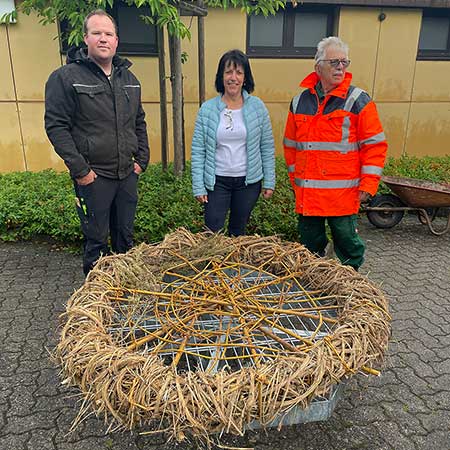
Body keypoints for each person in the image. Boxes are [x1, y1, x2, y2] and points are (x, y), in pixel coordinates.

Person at [45, 9, 150, 275]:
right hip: (94, 178)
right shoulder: (66, 77)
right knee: (96, 244)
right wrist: (82, 172)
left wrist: (142, 161)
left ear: (116, 40)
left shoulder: (130, 80)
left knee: (125, 240)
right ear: (86, 38)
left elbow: (139, 121)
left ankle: (124, 295)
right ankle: (96, 305)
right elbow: (57, 126)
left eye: (109, 34)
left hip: (126, 175)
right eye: (97, 33)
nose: (103, 39)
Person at [283, 36, 387, 270]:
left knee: (348, 246)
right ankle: (314, 284)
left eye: (344, 62)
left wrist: (367, 186)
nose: (341, 67)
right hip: (309, 196)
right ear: (318, 66)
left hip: (343, 196)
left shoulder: (358, 101)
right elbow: (290, 146)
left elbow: (375, 146)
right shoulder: (299, 102)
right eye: (334, 62)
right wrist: (296, 183)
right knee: (309, 246)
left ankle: (349, 286)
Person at [191, 49, 275, 236]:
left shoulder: (257, 107)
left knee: (238, 231)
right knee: (212, 231)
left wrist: (269, 181)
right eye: (228, 72)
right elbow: (198, 150)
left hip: (248, 182)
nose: (233, 77)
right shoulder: (208, 109)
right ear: (221, 76)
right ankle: (214, 265)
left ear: (245, 78)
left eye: (238, 72)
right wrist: (198, 185)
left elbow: (267, 147)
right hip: (216, 181)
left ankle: (234, 266)